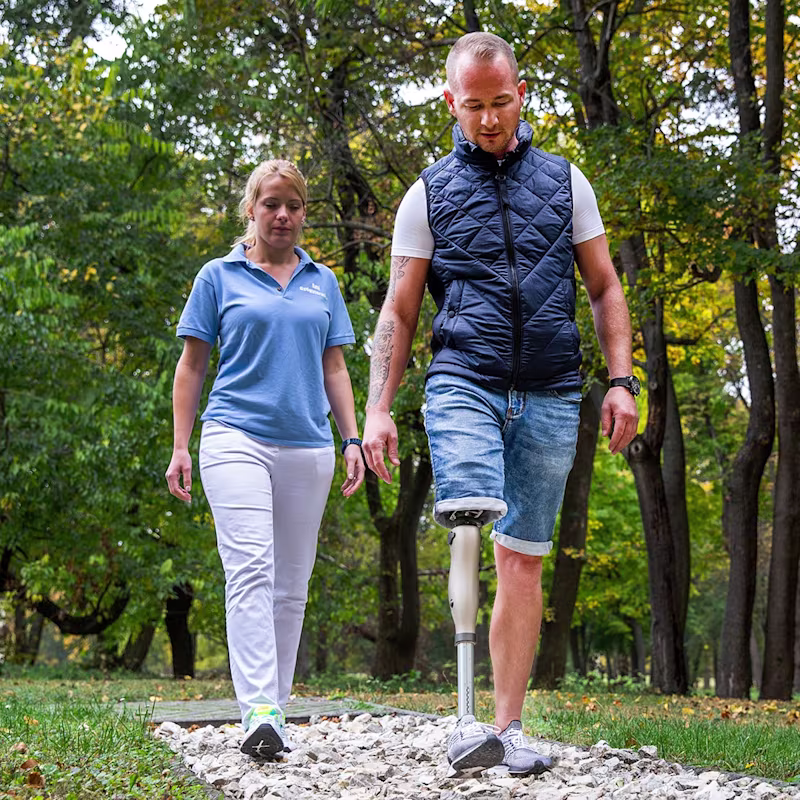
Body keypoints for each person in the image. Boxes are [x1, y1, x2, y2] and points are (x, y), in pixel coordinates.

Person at [362, 32, 639, 776]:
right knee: (468, 516)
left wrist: (621, 381)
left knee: (522, 561)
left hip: (551, 390)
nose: (488, 119)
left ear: (522, 94)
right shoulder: (427, 194)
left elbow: (604, 286)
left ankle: (508, 730)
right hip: (465, 379)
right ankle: (462, 718)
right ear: (450, 102)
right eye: (473, 105)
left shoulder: (567, 183)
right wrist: (378, 408)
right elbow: (400, 311)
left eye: (501, 102)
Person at [165, 159, 365, 759]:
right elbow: (191, 366)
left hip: (308, 444)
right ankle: (257, 707)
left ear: (304, 213)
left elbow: (335, 367)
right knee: (251, 566)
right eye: (271, 204)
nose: (282, 215)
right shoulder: (218, 276)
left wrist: (352, 438)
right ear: (251, 208)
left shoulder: (322, 281)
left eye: (294, 206)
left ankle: (272, 711)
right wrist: (180, 445)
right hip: (234, 437)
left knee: (291, 584)